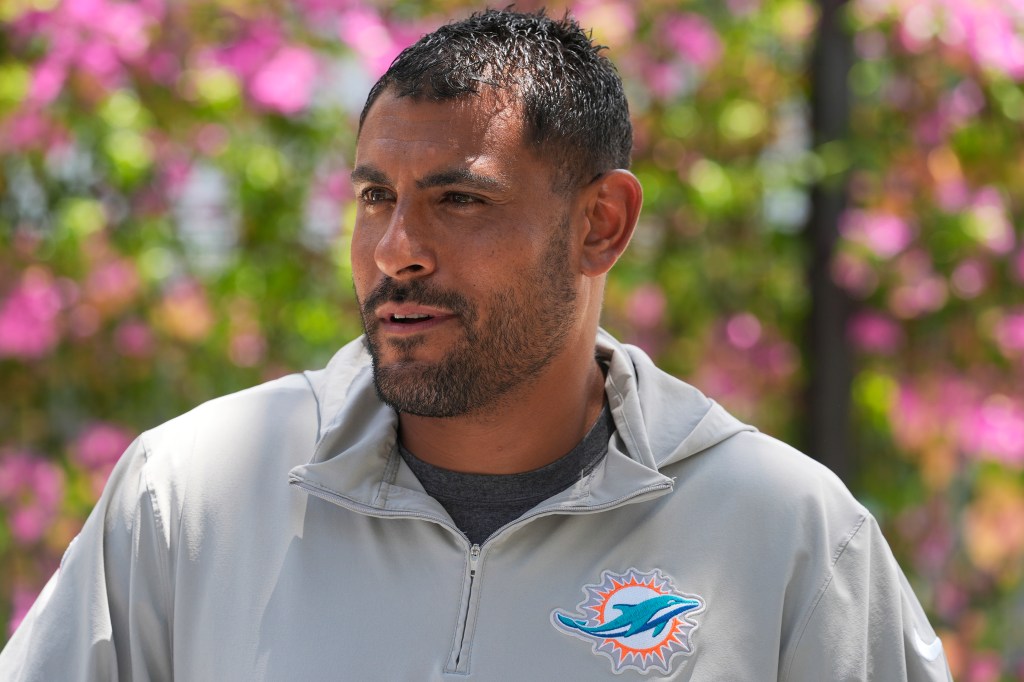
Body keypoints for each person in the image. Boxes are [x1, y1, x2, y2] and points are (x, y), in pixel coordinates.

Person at [1, 8, 952, 681]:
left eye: (459, 200)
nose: (395, 250)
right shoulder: (191, 497)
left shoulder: (785, 532)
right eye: (377, 197)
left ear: (601, 224)